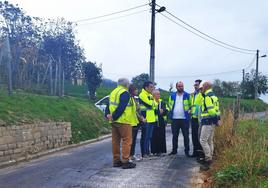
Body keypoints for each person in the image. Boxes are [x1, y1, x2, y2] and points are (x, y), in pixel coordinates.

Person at [106, 78, 138, 169]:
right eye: (128, 84)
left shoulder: (113, 92)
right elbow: (121, 107)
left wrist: (109, 116)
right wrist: (115, 116)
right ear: (126, 85)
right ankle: (125, 161)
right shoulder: (125, 93)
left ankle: (116, 161)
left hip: (114, 121)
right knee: (127, 141)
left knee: (115, 141)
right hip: (124, 120)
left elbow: (109, 105)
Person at [199, 81, 220, 171]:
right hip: (212, 122)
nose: (202, 88)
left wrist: (215, 120)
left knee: (203, 140)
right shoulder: (214, 96)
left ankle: (208, 160)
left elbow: (211, 111)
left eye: (203, 86)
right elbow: (217, 110)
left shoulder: (207, 97)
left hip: (207, 121)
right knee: (210, 141)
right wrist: (218, 120)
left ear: (206, 86)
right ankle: (210, 158)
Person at [168, 81, 191, 157]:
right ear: (176, 87)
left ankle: (187, 151)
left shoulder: (187, 95)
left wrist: (190, 110)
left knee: (186, 136)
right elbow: (169, 105)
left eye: (182, 86)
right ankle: (174, 150)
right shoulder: (172, 95)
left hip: (184, 119)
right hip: (174, 119)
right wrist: (169, 112)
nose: (180, 87)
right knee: (175, 135)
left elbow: (191, 105)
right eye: (179, 86)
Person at [139, 81, 157, 158]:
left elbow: (156, 104)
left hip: (151, 118)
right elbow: (150, 104)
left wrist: (153, 101)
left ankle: (148, 152)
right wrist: (153, 101)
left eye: (153, 87)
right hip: (145, 118)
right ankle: (144, 153)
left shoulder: (149, 95)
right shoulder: (142, 94)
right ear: (146, 87)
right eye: (151, 87)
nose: (152, 88)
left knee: (149, 137)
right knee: (145, 137)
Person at [129, 84, 146, 161]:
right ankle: (128, 156)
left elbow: (138, 110)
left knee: (134, 139)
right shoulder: (129, 99)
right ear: (132, 90)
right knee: (130, 140)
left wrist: (141, 117)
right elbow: (135, 111)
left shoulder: (135, 99)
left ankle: (132, 155)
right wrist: (141, 118)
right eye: (135, 89)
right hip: (131, 122)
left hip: (136, 122)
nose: (137, 91)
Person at [190, 79, 204, 159]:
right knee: (194, 136)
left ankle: (201, 154)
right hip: (193, 117)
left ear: (200, 85)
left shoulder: (202, 94)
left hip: (200, 118)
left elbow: (201, 106)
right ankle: (195, 152)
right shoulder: (193, 95)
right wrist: (190, 109)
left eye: (197, 85)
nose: (195, 86)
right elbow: (193, 105)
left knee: (200, 136)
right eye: (194, 85)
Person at [151, 89, 168, 156]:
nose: (159, 95)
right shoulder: (152, 102)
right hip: (154, 121)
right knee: (154, 137)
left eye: (159, 94)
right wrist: (159, 111)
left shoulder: (162, 102)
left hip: (161, 121)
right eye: (157, 94)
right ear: (153, 95)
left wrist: (161, 111)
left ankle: (161, 150)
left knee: (161, 136)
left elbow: (165, 111)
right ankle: (154, 151)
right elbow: (153, 111)